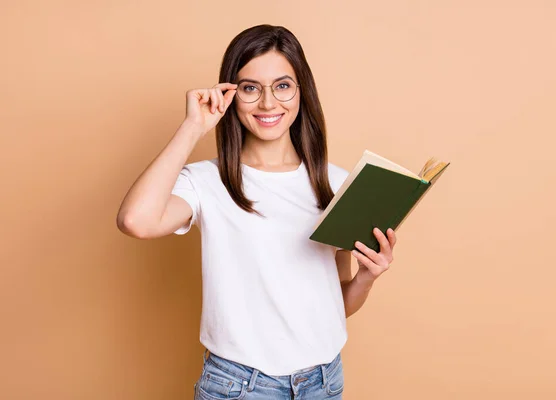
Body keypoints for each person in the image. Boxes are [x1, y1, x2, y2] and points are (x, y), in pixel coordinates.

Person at [117, 24, 396, 400]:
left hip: (323, 383)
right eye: (250, 88)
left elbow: (335, 307)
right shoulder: (207, 181)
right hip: (239, 387)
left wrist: (366, 278)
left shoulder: (337, 185)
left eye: (282, 86)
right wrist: (193, 126)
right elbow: (136, 221)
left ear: (301, 92)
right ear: (230, 94)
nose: (268, 104)